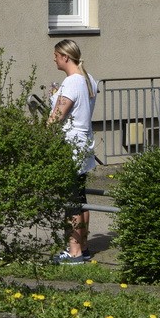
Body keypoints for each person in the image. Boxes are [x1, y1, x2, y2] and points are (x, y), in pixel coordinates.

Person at [48, 39, 99, 265]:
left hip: (71, 145)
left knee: (71, 199)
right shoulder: (89, 80)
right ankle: (84, 248)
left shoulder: (71, 82)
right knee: (80, 196)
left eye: (56, 55)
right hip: (84, 142)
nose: (54, 59)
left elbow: (57, 117)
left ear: (65, 57)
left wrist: (41, 136)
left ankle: (74, 251)